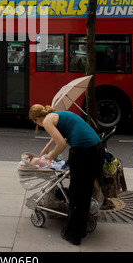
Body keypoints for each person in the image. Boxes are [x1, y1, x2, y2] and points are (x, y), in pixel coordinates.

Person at [29, 104, 103, 246]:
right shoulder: (57, 115)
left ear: (37, 118)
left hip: (83, 151)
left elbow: (61, 144)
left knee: (76, 193)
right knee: (85, 192)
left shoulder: (46, 121)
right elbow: (60, 133)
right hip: (96, 148)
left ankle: (72, 235)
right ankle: (81, 229)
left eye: (34, 121)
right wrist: (46, 148)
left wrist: (48, 159)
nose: (36, 124)